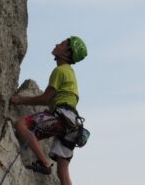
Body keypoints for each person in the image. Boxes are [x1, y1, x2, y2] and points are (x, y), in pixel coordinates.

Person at [10, 36, 87, 185]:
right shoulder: (70, 73)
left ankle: (44, 163)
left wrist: (21, 100)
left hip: (62, 116)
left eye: (63, 44)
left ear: (67, 54)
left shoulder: (60, 71)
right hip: (73, 124)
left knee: (21, 125)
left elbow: (46, 99)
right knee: (62, 172)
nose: (57, 43)